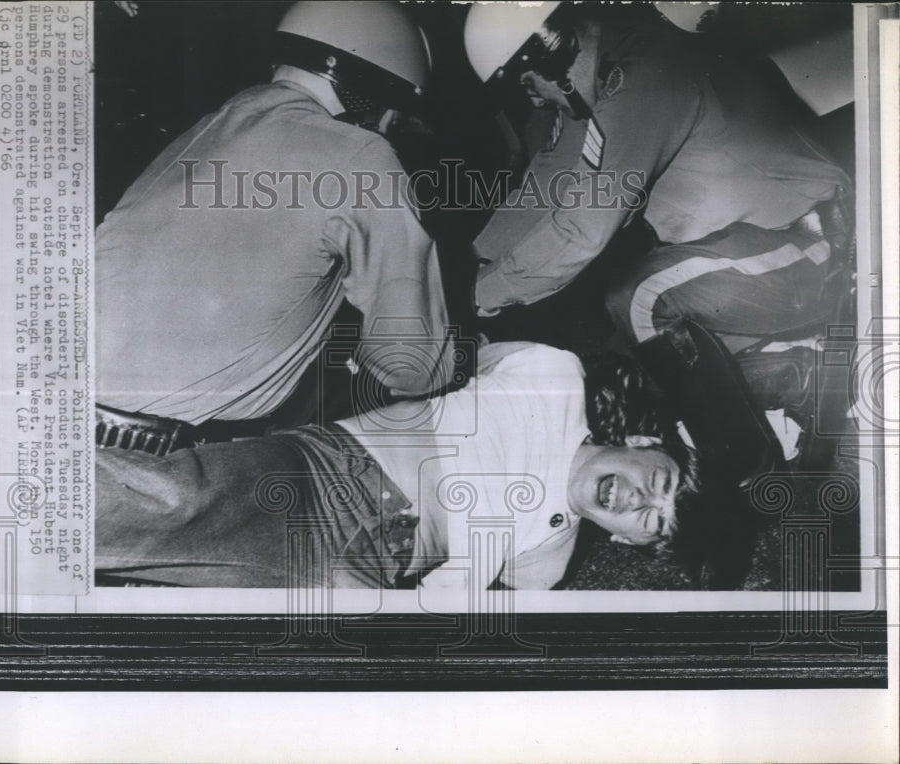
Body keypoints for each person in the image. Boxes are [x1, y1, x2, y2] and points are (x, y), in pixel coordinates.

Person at [461, 2, 853, 482]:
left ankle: (747, 469)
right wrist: (464, 269)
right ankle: (801, 378)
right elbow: (545, 185)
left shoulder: (646, 76)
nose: (536, 102)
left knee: (640, 297)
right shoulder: (610, 79)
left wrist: (480, 297)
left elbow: (584, 228)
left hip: (814, 248)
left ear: (552, 51)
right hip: (759, 257)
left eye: (527, 85)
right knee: (630, 379)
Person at [95, 1, 453, 446]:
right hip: (170, 463)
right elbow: (412, 365)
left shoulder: (207, 129)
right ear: (375, 89)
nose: (389, 126)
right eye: (394, 113)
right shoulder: (362, 156)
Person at [96, 342, 702, 590]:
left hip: (366, 577)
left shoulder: (548, 564)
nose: (639, 501)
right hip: (327, 478)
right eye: (660, 483)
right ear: (643, 440)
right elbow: (462, 365)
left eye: (653, 520)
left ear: (625, 541)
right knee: (169, 502)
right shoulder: (555, 374)